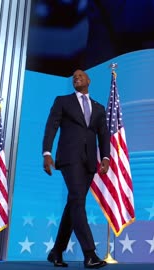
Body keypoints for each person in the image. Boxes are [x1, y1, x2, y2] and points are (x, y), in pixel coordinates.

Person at [42, 69, 110, 269]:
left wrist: (105, 157)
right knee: (78, 202)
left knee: (73, 203)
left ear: (89, 80)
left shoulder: (98, 108)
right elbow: (51, 127)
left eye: (80, 76)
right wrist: (46, 152)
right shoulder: (63, 101)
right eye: (73, 77)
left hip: (89, 163)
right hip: (69, 159)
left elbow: (103, 135)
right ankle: (89, 254)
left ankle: (56, 252)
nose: (76, 78)